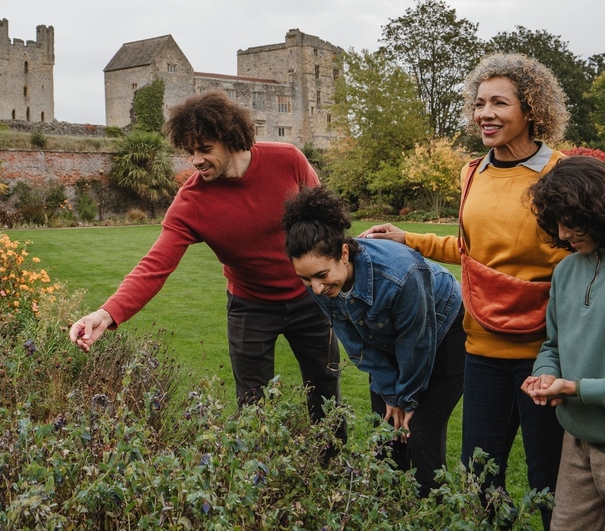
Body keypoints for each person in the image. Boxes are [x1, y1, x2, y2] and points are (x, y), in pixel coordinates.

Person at [362, 53, 569, 529]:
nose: (485, 114)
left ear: (531, 109)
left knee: (548, 477)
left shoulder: (560, 174)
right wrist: (408, 239)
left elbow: (577, 261)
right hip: (480, 348)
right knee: (479, 473)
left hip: (545, 351)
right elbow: (471, 249)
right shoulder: (472, 172)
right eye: (479, 103)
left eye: (500, 102)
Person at [69, 89, 344, 439]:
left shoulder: (287, 160)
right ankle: (258, 482)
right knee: (252, 406)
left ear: (230, 139)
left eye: (205, 149)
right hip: (250, 307)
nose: (196, 161)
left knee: (326, 393)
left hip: (310, 299)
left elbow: (328, 223)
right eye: (190, 151)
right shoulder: (191, 202)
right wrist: (105, 315)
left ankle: (334, 474)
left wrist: (338, 282)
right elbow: (155, 265)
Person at [282, 185, 464, 496]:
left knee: (419, 433)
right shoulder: (323, 284)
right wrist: (389, 393)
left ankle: (430, 509)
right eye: (305, 279)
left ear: (343, 253)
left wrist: (406, 398)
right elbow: (355, 343)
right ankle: (389, 510)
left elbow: (415, 342)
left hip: (444, 332)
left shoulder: (400, 273)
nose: (315, 288)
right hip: (390, 339)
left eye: (321, 275)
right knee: (386, 432)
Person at [521, 156, 605, 530]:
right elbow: (553, 344)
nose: (564, 234)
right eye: (556, 223)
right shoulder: (566, 270)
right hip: (577, 440)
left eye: (570, 222)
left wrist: (576, 388)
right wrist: (545, 375)